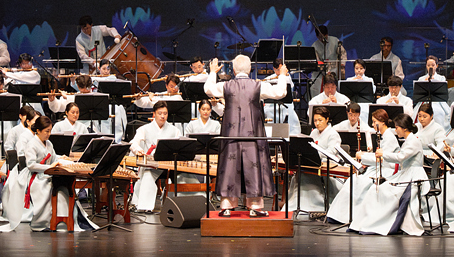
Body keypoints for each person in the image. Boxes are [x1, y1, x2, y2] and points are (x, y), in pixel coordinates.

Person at [204, 55, 290, 216]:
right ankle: (255, 207)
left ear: (234, 71)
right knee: (254, 165)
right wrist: (283, 75)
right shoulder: (258, 85)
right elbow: (280, 92)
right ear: (250, 69)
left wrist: (213, 72)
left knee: (230, 166)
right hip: (253, 133)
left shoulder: (226, 86)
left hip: (231, 134)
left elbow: (208, 89)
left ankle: (227, 207)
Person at [349, 113, 430, 235]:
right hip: (406, 174)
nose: (395, 130)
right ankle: (368, 223)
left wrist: (383, 154)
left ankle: (382, 224)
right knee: (376, 189)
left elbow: (401, 157)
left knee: (381, 190)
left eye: (397, 127)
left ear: (404, 128)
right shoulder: (408, 140)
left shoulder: (413, 141)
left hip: (413, 177)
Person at [130, 101, 185, 211]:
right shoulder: (145, 128)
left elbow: (181, 145)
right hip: (153, 165)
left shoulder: (174, 130)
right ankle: (145, 207)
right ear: (154, 114)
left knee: (185, 177)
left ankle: (186, 205)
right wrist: (138, 150)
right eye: (160, 113)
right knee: (148, 175)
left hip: (170, 164)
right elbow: (133, 143)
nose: (162, 116)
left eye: (165, 113)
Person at [288, 108, 343, 214]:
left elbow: (331, 152)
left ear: (327, 119)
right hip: (313, 162)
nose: (317, 123)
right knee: (300, 174)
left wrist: (316, 154)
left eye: (320, 120)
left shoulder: (333, 134)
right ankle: (298, 203)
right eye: (315, 121)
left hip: (328, 163)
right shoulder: (313, 133)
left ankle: (317, 203)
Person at [310, 26, 346, 97]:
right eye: (320, 37)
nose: (323, 39)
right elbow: (316, 60)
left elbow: (343, 53)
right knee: (315, 81)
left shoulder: (335, 41)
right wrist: (321, 67)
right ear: (317, 36)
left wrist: (342, 64)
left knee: (337, 77)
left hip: (334, 68)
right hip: (321, 71)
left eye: (325, 37)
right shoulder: (314, 46)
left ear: (327, 34)